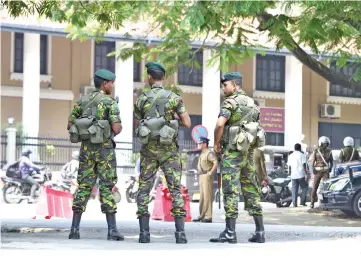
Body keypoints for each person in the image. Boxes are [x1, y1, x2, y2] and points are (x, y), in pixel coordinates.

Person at [133, 62, 191, 244]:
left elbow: (137, 125)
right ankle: (180, 234)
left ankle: (144, 234)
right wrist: (172, 121)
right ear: (163, 77)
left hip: (149, 151)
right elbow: (187, 123)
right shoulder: (174, 98)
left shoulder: (141, 99)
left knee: (144, 189)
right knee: (175, 189)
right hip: (169, 151)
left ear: (149, 77)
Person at [67, 69, 123, 241]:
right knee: (107, 186)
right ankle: (112, 230)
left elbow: (70, 125)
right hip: (104, 151)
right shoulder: (109, 102)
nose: (112, 86)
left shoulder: (81, 101)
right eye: (111, 83)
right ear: (105, 84)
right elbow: (116, 128)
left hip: (86, 151)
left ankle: (74, 229)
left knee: (84, 186)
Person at [210, 72, 265, 244]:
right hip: (248, 155)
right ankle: (260, 231)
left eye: (225, 85)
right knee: (251, 190)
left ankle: (230, 232)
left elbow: (220, 124)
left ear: (234, 86)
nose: (223, 88)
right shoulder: (252, 104)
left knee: (230, 191)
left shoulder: (229, 102)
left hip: (232, 155)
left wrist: (216, 143)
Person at [192, 137, 218, 223]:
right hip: (201, 176)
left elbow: (215, 162)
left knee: (207, 196)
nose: (199, 145)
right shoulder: (202, 153)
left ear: (204, 144)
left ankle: (208, 216)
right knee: (202, 197)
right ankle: (202, 215)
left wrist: (210, 173)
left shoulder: (209, 153)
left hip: (206, 175)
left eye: (200, 143)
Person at [310, 136, 333, 208]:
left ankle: (326, 204)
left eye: (326, 143)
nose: (325, 145)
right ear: (320, 143)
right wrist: (312, 169)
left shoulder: (329, 151)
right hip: (318, 171)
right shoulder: (316, 151)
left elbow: (331, 161)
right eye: (324, 143)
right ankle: (312, 202)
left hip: (325, 171)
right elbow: (313, 161)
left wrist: (330, 168)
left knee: (326, 188)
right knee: (314, 187)